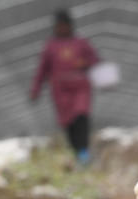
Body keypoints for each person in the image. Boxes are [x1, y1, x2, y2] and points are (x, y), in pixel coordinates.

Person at [30, 9, 99, 164]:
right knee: (69, 124)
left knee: (81, 117)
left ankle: (84, 153)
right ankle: (77, 153)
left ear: (70, 26)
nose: (62, 29)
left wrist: (86, 64)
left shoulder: (81, 44)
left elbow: (95, 61)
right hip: (61, 92)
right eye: (59, 26)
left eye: (65, 25)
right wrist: (35, 90)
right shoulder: (50, 47)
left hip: (81, 88)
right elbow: (42, 70)